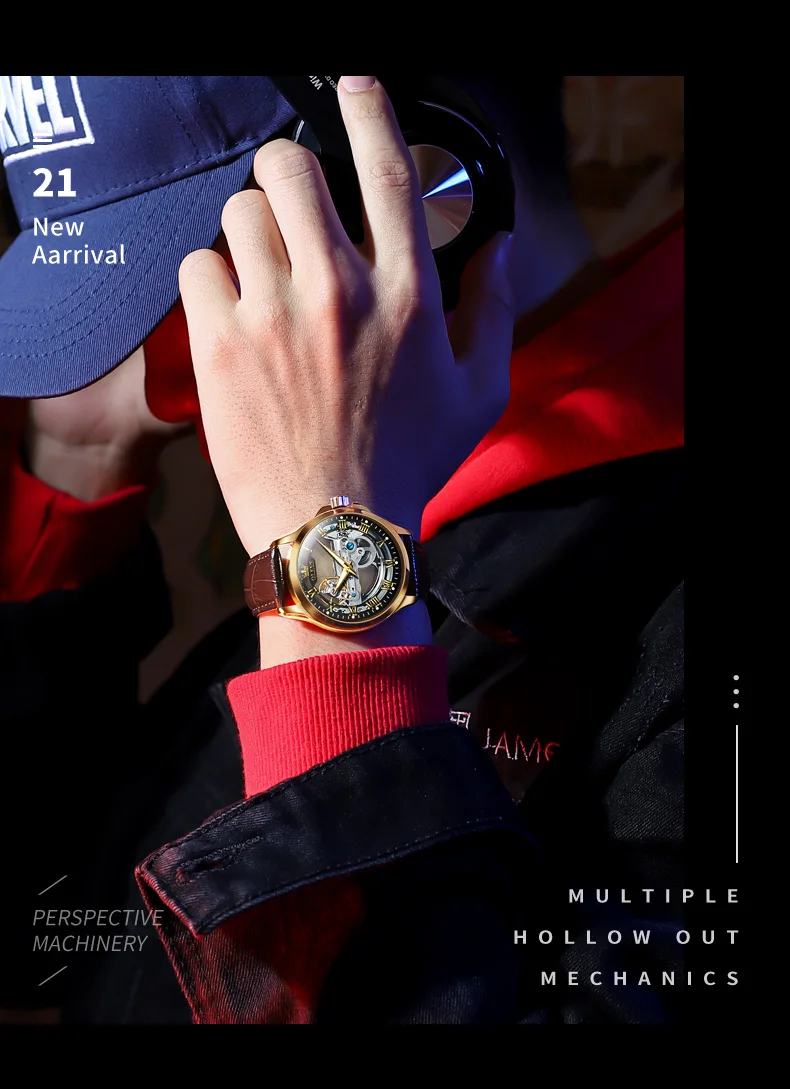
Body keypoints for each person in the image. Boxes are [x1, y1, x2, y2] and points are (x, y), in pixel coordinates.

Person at [0, 75, 684, 1024]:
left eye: (180, 261)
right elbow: (38, 949)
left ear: (406, 170)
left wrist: (333, 591)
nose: (155, 338)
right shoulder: (364, 491)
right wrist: (79, 463)